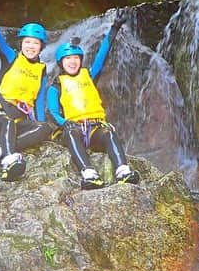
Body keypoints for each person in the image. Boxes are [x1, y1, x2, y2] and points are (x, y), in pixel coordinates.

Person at [46, 11, 139, 189]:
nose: (72, 62)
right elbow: (52, 111)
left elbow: (102, 55)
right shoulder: (56, 85)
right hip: (74, 129)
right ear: (61, 63)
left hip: (95, 128)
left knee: (109, 133)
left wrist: (115, 28)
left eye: (75, 58)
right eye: (68, 59)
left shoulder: (88, 75)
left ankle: (123, 170)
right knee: (71, 134)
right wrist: (65, 123)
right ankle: (88, 173)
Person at [0, 1, 54, 181]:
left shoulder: (41, 71)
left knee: (44, 129)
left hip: (19, 121)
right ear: (21, 43)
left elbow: (39, 102)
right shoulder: (11, 57)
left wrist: (42, 127)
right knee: (8, 121)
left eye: (35, 43)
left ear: (41, 47)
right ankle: (9, 159)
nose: (31, 46)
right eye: (27, 42)